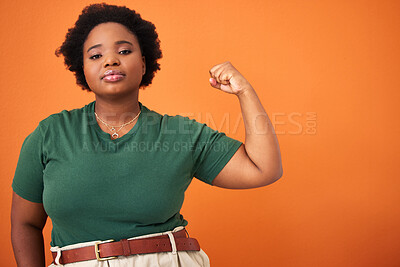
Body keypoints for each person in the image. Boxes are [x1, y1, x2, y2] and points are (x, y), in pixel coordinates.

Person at [10, 3, 283, 267]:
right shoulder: (50, 134)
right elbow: (26, 223)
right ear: (82, 68)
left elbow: (263, 169)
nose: (110, 60)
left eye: (124, 51)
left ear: (143, 64)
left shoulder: (180, 134)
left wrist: (245, 93)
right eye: (95, 55)